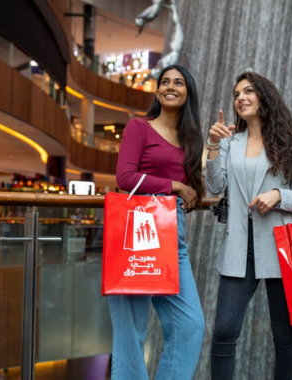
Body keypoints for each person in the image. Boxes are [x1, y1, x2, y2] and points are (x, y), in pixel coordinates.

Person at [205, 71, 292, 380]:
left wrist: (279, 195)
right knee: (224, 331)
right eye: (236, 93)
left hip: (282, 247)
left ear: (264, 97)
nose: (240, 97)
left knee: (284, 337)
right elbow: (214, 188)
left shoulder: (290, 142)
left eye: (248, 91)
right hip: (238, 247)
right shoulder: (230, 141)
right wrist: (214, 144)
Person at [111, 65, 206, 380]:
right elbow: (125, 177)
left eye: (178, 83)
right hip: (135, 233)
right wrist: (174, 186)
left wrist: (218, 149)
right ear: (157, 91)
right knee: (131, 332)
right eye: (164, 81)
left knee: (191, 325)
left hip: (172, 234)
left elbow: (199, 190)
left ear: (187, 92)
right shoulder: (139, 127)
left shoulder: (190, 140)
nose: (170, 86)